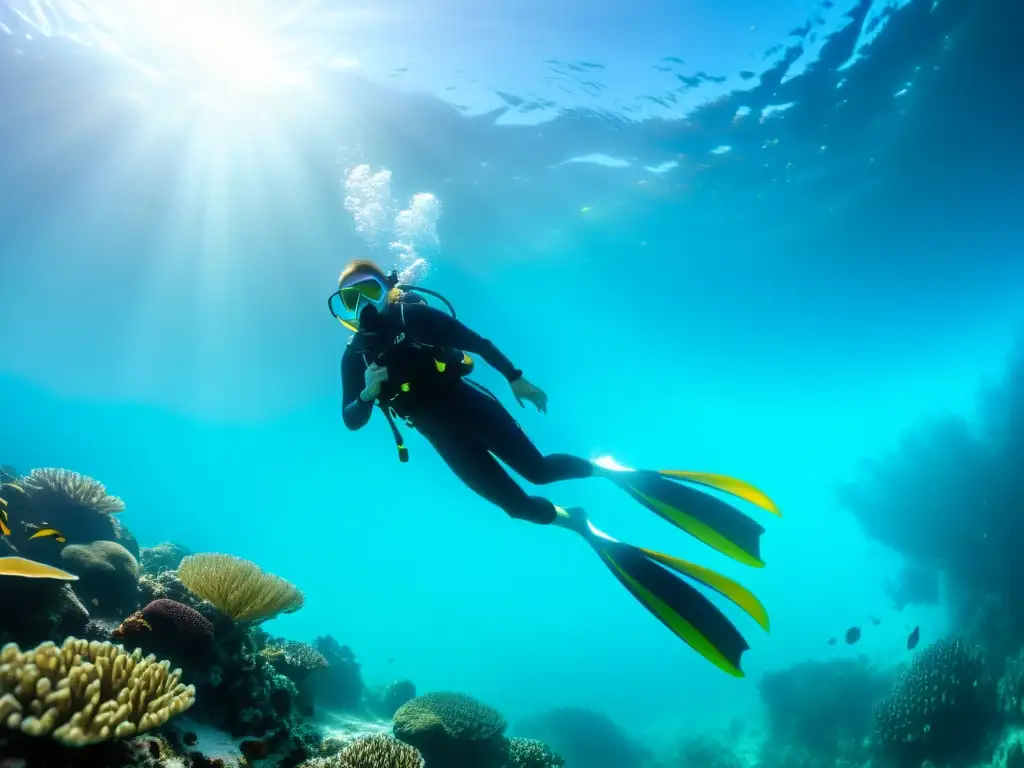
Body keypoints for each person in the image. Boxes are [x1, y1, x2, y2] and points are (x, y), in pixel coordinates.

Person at [329, 259, 781, 677]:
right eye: (348, 299)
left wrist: (515, 376)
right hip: (439, 435)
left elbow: (477, 343)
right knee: (516, 507)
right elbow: (350, 419)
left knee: (539, 470)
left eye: (367, 290)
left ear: (387, 287)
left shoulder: (415, 317)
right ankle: (575, 521)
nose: (360, 305)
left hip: (470, 407)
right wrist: (367, 394)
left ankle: (606, 471)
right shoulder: (354, 357)